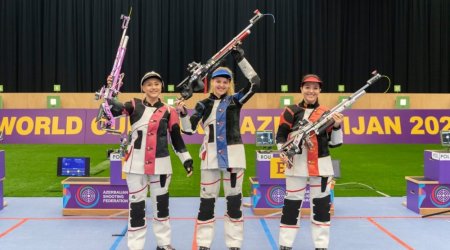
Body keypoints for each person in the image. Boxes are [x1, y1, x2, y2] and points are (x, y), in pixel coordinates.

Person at [175, 47, 260, 250]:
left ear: (229, 84)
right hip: (210, 158)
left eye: (225, 81)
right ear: (211, 82)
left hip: (234, 157)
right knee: (207, 203)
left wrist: (241, 60)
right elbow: (187, 130)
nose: (221, 84)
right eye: (217, 81)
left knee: (234, 203)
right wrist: (182, 112)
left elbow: (255, 84)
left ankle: (234, 244)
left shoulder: (235, 100)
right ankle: (204, 244)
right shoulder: (203, 104)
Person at [106, 71, 194, 250]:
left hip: (161, 165)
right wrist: (110, 90)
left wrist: (186, 159)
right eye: (149, 84)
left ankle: (164, 244)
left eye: (156, 83)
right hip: (135, 165)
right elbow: (113, 111)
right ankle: (135, 246)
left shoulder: (169, 111)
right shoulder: (133, 104)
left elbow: (176, 138)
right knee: (136, 208)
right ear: (143, 88)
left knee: (162, 207)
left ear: (161, 86)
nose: (153, 87)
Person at [276, 74, 344, 250]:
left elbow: (335, 143)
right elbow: (280, 136)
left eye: (315, 88)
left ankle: (321, 246)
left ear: (320, 90)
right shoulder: (290, 111)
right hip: (296, 165)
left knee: (321, 207)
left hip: (321, 166)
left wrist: (336, 126)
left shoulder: (328, 113)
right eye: (308, 87)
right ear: (301, 89)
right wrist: (283, 151)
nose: (311, 91)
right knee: (291, 205)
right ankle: (285, 244)